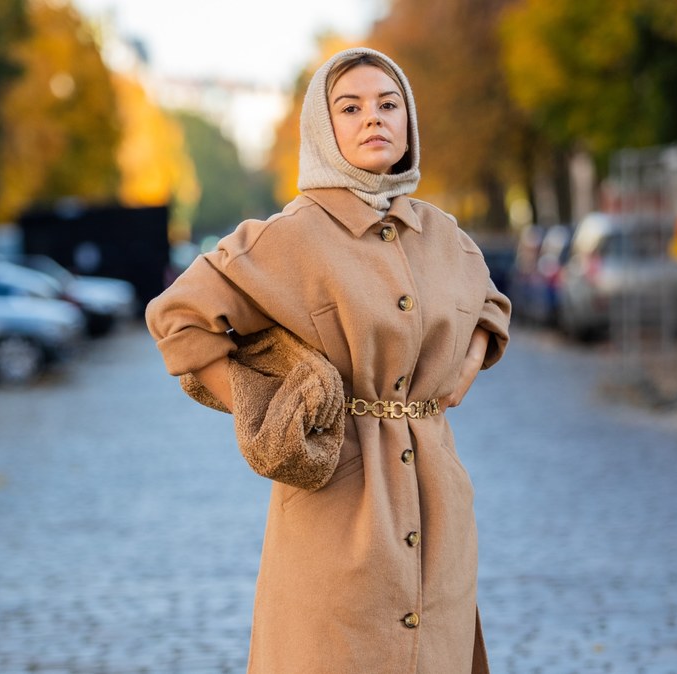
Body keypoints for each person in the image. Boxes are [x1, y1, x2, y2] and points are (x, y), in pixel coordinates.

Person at [145, 47, 511, 673]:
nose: (374, 118)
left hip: (439, 504)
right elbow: (177, 316)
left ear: (409, 122)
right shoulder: (290, 235)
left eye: (388, 104)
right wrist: (263, 408)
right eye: (351, 107)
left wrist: (468, 364)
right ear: (324, 126)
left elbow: (491, 304)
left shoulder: (443, 233)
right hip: (335, 508)